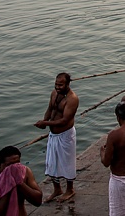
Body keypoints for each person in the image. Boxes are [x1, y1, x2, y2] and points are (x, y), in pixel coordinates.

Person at [34, 73, 79, 203]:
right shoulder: (54, 93)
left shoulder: (73, 98)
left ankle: (70, 190)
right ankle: (57, 189)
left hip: (66, 135)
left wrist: (46, 124)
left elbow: (65, 120)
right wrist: (44, 120)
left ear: (67, 84)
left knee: (67, 162)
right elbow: (49, 109)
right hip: (53, 135)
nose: (58, 87)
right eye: (56, 84)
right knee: (51, 162)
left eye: (61, 85)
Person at [0, 146, 42, 216]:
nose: (14, 168)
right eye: (9, 165)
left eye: (17, 164)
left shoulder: (25, 172)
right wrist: (8, 188)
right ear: (0, 165)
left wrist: (20, 184)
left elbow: (38, 201)